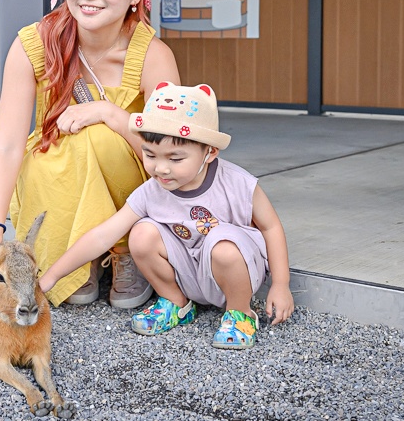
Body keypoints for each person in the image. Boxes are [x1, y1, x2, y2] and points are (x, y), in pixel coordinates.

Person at [0, 0, 181, 309]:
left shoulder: (152, 54)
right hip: (58, 178)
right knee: (53, 149)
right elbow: (7, 143)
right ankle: (78, 255)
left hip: (130, 177)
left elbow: (172, 152)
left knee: (98, 135)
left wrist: (109, 114)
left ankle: (123, 248)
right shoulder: (34, 44)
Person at [38, 81, 294, 349]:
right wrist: (53, 275)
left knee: (223, 244)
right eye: (150, 155)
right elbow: (104, 236)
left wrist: (281, 283)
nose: (161, 168)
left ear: (209, 152)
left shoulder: (238, 183)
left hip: (231, 271)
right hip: (188, 275)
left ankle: (240, 313)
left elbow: (271, 227)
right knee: (141, 233)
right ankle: (176, 303)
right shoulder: (151, 191)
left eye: (175, 159)